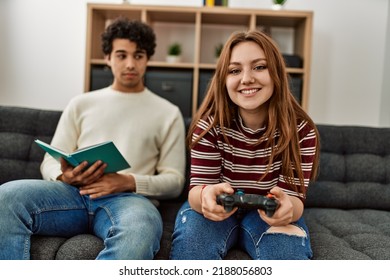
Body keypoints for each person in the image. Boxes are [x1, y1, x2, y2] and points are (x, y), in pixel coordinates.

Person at [0, 17, 186, 260]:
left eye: (138, 55)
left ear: (147, 59)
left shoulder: (168, 112)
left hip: (129, 201)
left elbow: (175, 181)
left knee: (140, 230)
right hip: (72, 196)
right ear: (108, 58)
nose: (130, 64)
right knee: (7, 197)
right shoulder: (81, 104)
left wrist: (127, 182)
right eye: (121, 55)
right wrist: (63, 175)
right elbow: (49, 160)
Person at [169, 30, 320, 260]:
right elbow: (197, 190)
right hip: (216, 212)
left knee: (286, 255)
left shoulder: (301, 131)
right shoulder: (209, 127)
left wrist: (287, 208)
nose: (246, 78)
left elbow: (294, 201)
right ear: (224, 80)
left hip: (267, 215)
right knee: (193, 248)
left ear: (276, 73)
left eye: (259, 67)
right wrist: (206, 196)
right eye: (234, 70)